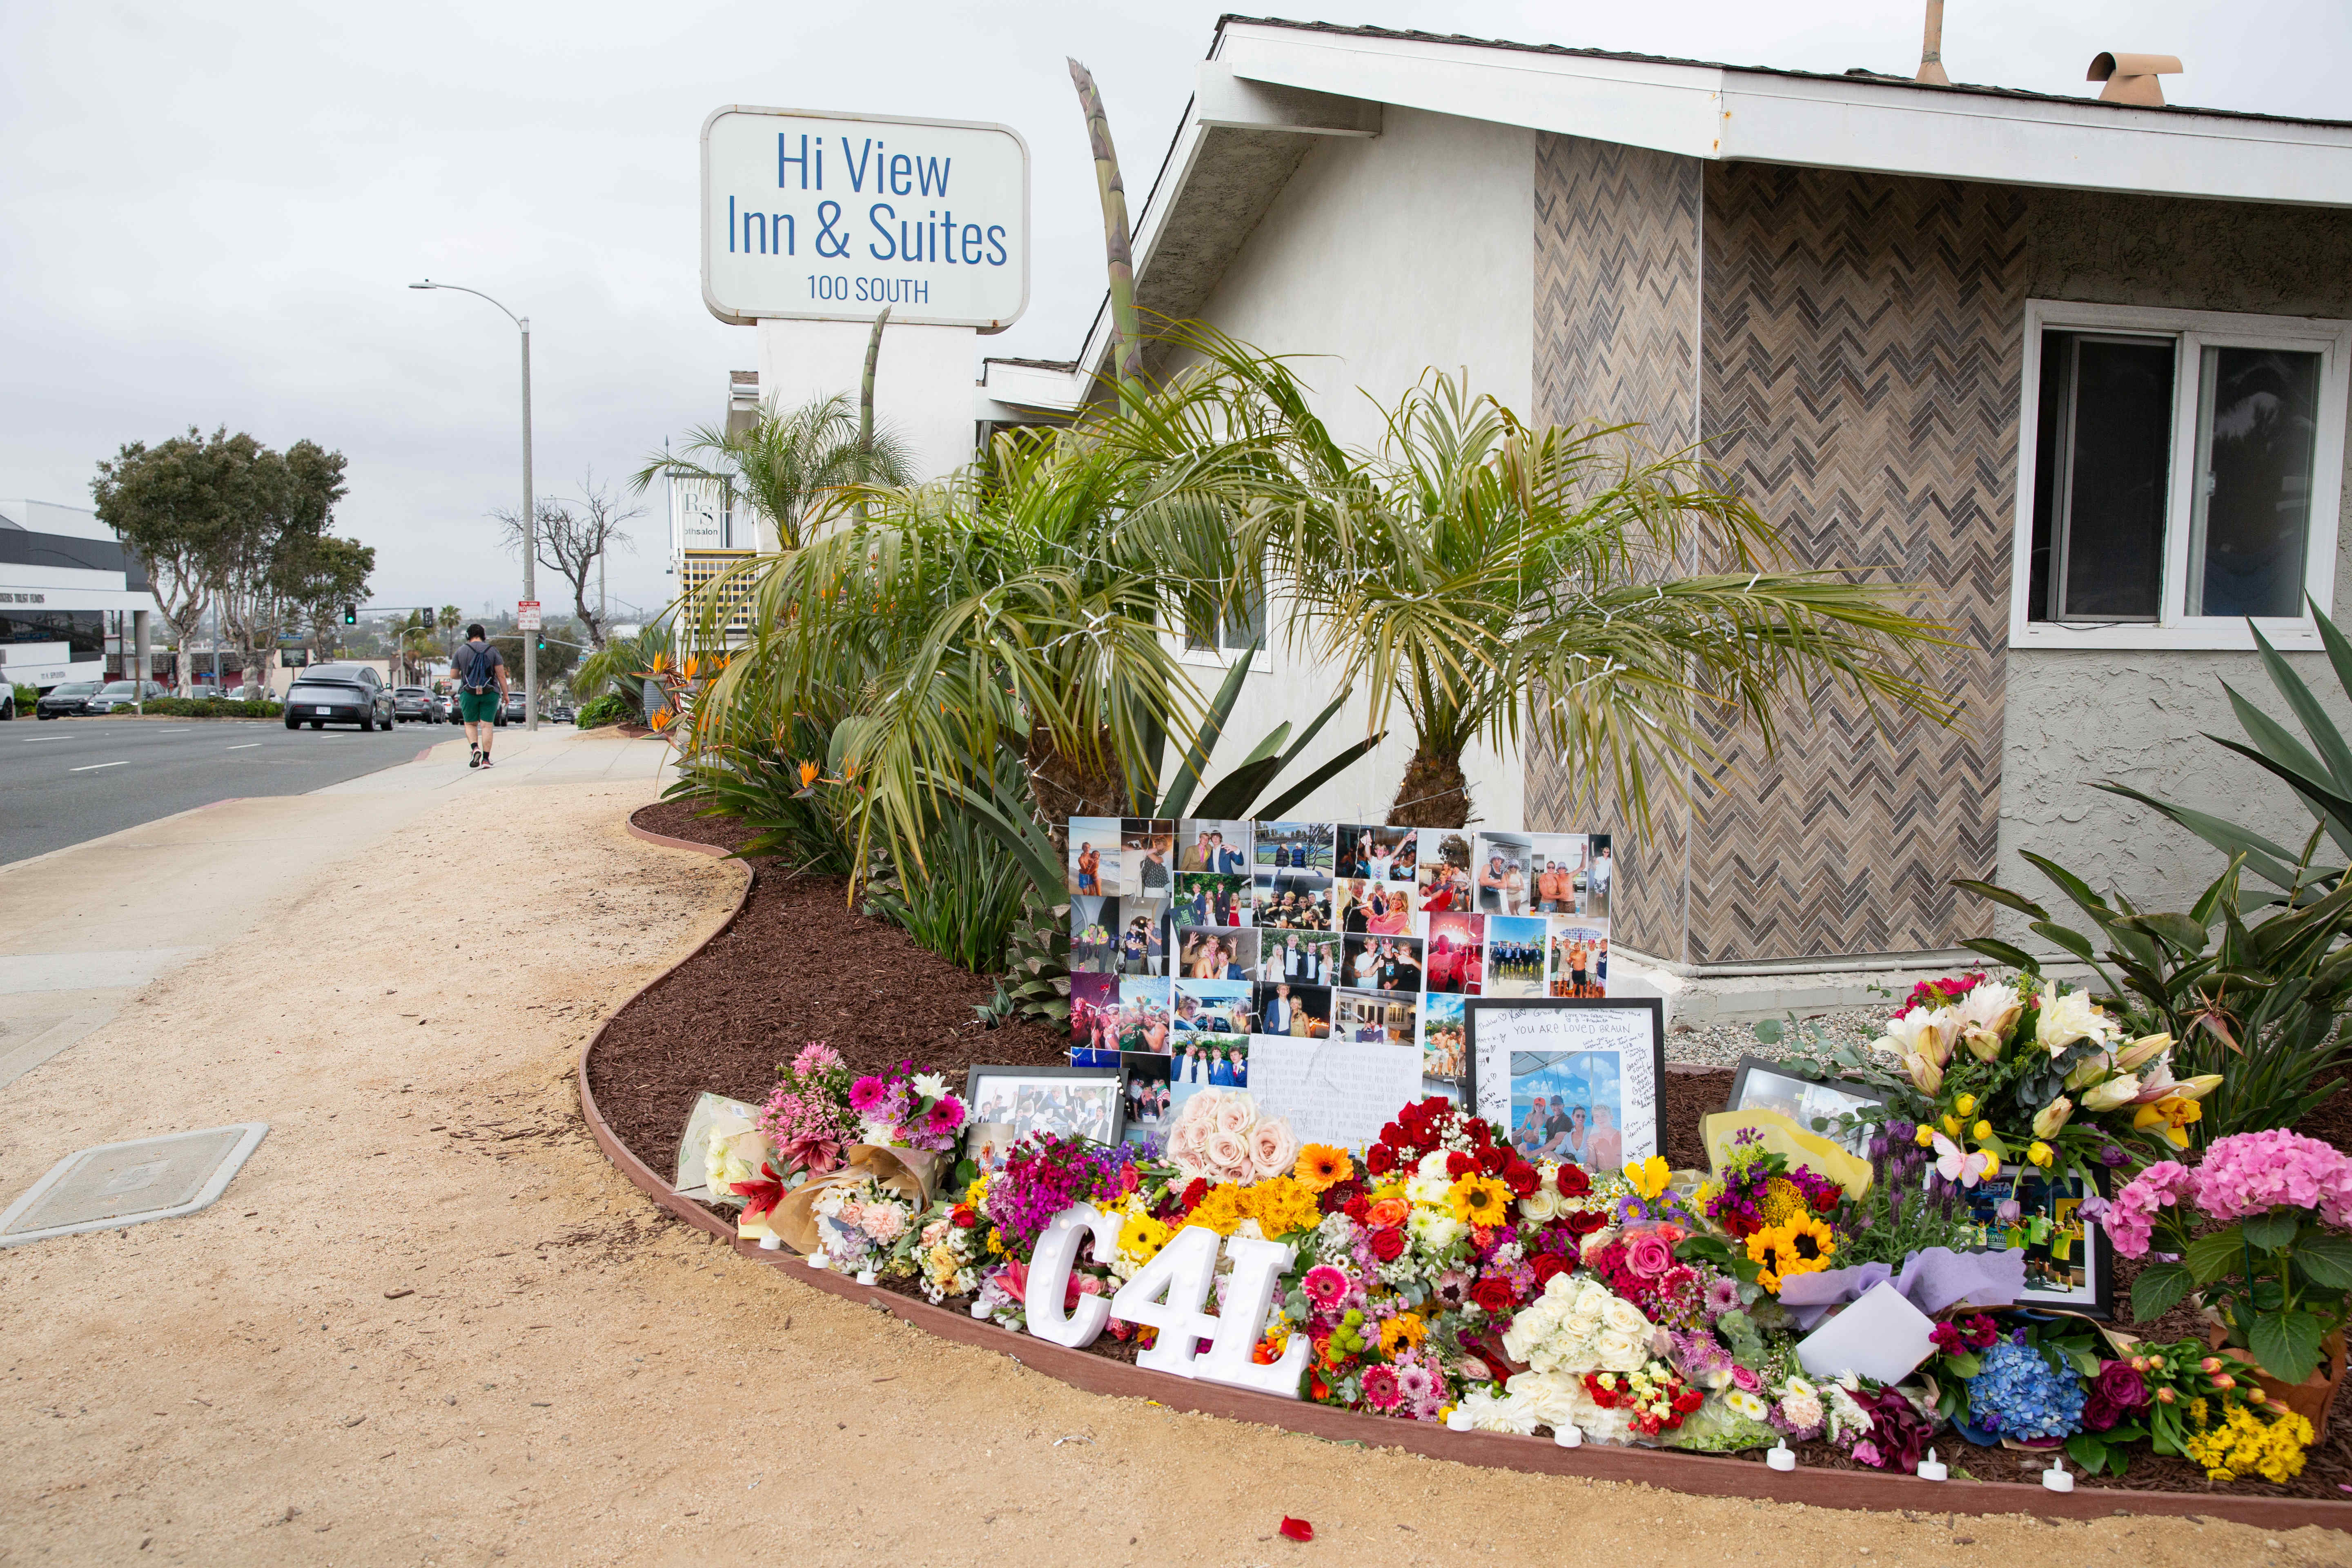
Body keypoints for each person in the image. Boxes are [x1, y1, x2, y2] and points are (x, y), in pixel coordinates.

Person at [452, 623, 508, 769]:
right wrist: (506, 695)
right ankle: (486, 759)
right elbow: (501, 676)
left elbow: (453, 675)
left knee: (471, 724)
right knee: (487, 726)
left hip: (468, 692)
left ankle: (475, 748)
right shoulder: (493, 651)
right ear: (484, 636)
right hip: (490, 693)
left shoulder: (461, 651)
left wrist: (466, 674)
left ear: (468, 636)